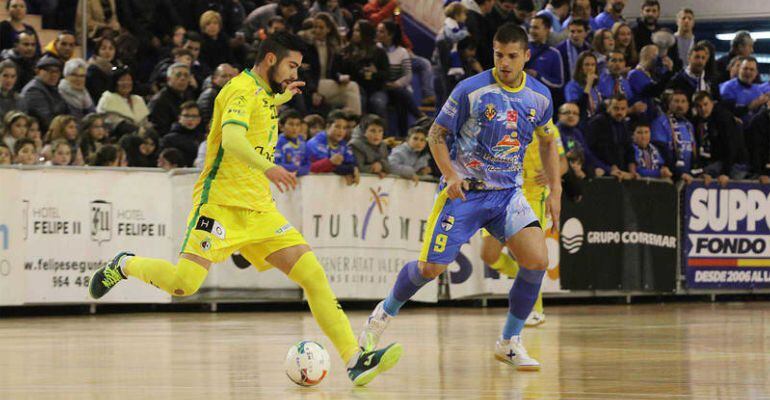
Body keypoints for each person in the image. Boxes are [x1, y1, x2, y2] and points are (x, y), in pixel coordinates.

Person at [88, 32, 402, 386]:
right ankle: (125, 264)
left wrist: (281, 96)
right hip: (221, 202)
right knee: (183, 284)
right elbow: (235, 139)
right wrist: (269, 167)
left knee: (312, 275)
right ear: (270, 59)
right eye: (291, 65)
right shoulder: (239, 89)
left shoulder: (266, 93)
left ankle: (354, 359)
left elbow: (261, 106)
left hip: (260, 209)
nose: (293, 72)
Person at [358, 23, 562, 371]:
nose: (505, 63)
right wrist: (451, 174)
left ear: (526, 56)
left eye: (513, 56)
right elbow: (436, 135)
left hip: (508, 194)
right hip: (465, 193)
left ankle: (510, 342)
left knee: (537, 261)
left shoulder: (540, 96)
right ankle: (382, 313)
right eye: (499, 55)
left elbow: (547, 141)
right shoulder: (471, 89)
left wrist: (555, 190)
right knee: (430, 268)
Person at [376, 21, 428, 137]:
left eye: (381, 31)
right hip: (381, 88)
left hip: (397, 88)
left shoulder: (402, 52)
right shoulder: (376, 49)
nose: (378, 34)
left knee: (401, 100)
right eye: (378, 31)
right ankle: (419, 115)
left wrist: (396, 84)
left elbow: (407, 75)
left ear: (390, 34)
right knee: (398, 96)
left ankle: (402, 137)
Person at [692, 91, 749, 184]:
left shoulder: (723, 118)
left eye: (705, 104)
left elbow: (731, 147)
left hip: (735, 163)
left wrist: (724, 173)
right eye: (699, 106)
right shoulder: (697, 121)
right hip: (716, 161)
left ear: (712, 103)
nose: (703, 109)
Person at [338, 20, 389, 118]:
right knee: (360, 100)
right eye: (354, 30)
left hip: (376, 89)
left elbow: (387, 74)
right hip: (355, 87)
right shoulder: (347, 50)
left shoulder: (379, 52)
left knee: (378, 103)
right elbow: (342, 70)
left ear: (366, 33)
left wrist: (376, 73)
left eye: (358, 31)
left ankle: (383, 132)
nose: (354, 33)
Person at [313, 13, 362, 116]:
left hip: (328, 86)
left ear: (328, 29)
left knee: (350, 95)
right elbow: (305, 74)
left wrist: (340, 77)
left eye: (321, 27)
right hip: (313, 85)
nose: (317, 30)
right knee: (353, 87)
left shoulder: (332, 47)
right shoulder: (307, 47)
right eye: (315, 27)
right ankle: (355, 124)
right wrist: (313, 91)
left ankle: (350, 126)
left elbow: (335, 71)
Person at [651, 90, 696, 182]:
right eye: (676, 101)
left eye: (683, 101)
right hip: (668, 176)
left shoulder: (689, 125)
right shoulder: (660, 123)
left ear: (688, 105)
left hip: (688, 177)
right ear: (669, 104)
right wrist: (678, 174)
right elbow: (661, 152)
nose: (680, 105)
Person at [586, 95, 634, 179]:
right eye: (616, 108)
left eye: (623, 109)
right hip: (601, 169)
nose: (619, 112)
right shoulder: (598, 122)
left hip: (620, 171)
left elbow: (629, 149)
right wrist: (610, 168)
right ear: (609, 108)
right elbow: (594, 149)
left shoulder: (624, 124)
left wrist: (632, 172)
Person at [307, 110, 360, 185]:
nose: (341, 131)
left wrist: (354, 168)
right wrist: (348, 170)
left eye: (344, 128)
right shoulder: (316, 142)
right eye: (337, 127)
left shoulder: (343, 144)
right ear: (328, 127)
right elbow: (326, 168)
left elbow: (351, 162)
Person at [20, 56, 67, 132]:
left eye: (57, 71)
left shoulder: (52, 88)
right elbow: (46, 120)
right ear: (38, 71)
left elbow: (66, 110)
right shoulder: (33, 90)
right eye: (50, 71)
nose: (54, 75)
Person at [628, 44, 673, 121]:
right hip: (639, 119)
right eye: (655, 55)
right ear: (646, 56)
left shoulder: (651, 75)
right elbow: (651, 91)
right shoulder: (634, 74)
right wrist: (668, 73)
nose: (658, 59)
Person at [148, 63, 196, 135]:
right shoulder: (159, 100)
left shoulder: (188, 94)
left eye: (186, 75)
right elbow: (161, 131)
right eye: (178, 75)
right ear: (168, 79)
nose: (183, 78)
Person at [557, 102, 602, 177]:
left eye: (575, 113)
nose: (571, 116)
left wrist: (608, 170)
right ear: (559, 116)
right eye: (567, 112)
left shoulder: (577, 133)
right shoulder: (554, 132)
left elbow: (588, 155)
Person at [719, 57, 768, 124]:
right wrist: (751, 106)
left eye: (751, 69)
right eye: (745, 68)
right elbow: (728, 114)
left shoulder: (758, 90)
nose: (748, 72)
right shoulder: (727, 87)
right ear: (739, 70)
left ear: (756, 73)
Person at [525, 15, 564, 98]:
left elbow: (559, 83)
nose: (532, 31)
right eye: (531, 27)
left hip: (542, 101)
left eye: (536, 28)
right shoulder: (521, 49)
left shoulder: (554, 54)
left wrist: (538, 76)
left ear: (547, 30)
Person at [160, 101, 205, 167]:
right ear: (179, 118)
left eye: (194, 116)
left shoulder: (203, 138)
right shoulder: (169, 139)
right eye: (186, 116)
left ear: (199, 119)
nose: (190, 119)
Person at [564, 52, 602, 122]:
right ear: (580, 67)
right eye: (587, 65)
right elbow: (576, 109)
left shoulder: (596, 85)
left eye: (593, 65)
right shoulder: (572, 85)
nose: (590, 68)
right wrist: (588, 85)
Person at [197, 63, 237, 129]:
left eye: (231, 76)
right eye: (224, 76)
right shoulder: (209, 94)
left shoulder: (232, 93)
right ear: (215, 78)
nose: (228, 79)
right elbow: (205, 121)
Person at [275, 109, 310, 177]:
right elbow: (276, 164)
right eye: (291, 124)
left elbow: (307, 165)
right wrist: (295, 168)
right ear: (281, 127)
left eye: (297, 125)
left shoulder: (302, 142)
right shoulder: (277, 143)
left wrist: (298, 172)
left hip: (299, 179)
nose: (294, 128)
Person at [440, 2, 471, 79]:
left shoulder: (459, 25)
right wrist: (465, 33)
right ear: (457, 16)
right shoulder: (448, 25)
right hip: (446, 55)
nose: (466, 17)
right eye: (464, 14)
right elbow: (452, 37)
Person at [556, 19, 590, 83]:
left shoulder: (589, 49)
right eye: (572, 31)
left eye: (579, 31)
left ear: (586, 33)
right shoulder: (559, 50)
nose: (575, 35)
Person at [86, 36, 117, 102]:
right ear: (97, 51)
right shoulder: (93, 69)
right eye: (103, 48)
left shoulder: (114, 67)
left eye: (111, 48)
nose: (107, 52)